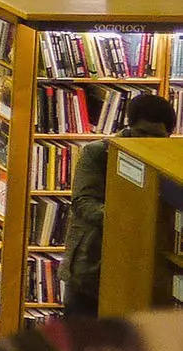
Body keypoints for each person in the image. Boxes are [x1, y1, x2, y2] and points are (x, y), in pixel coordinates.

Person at [64, 92, 178, 315]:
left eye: (156, 137)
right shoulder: (98, 153)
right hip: (91, 266)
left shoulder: (169, 163)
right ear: (129, 126)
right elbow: (82, 203)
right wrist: (129, 218)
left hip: (144, 273)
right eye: (141, 133)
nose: (146, 141)